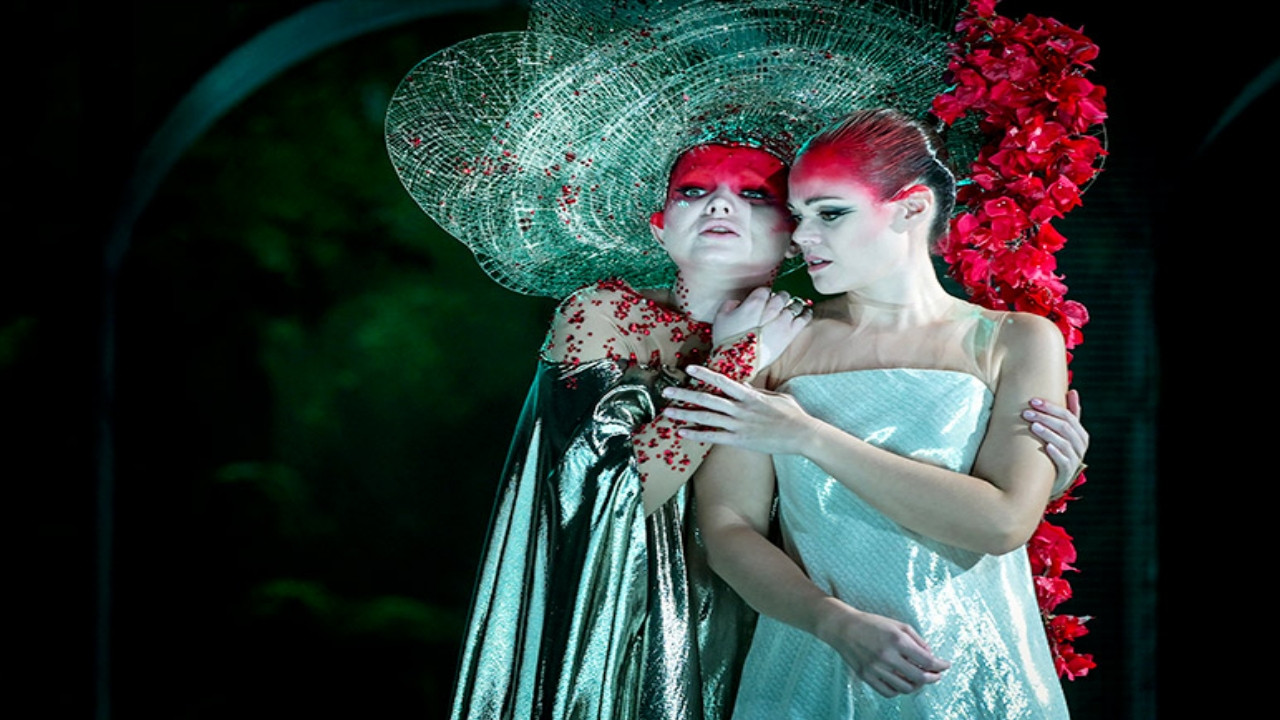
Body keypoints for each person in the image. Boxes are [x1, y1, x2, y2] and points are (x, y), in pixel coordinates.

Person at [383, 3, 1088, 719]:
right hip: (630, 605)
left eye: (756, 196)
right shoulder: (626, 317)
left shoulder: (823, 331)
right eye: (694, 192)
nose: (721, 208)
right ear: (659, 226)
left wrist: (1034, 476)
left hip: (790, 623)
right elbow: (628, 500)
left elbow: (973, 502)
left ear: (786, 238)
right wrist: (743, 358)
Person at [668, 108, 1077, 717]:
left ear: (911, 209)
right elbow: (729, 532)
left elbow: (1001, 525)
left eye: (831, 213)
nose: (803, 236)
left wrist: (807, 437)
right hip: (812, 659)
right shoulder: (773, 339)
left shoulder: (1017, 340)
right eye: (799, 215)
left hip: (979, 669)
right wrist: (836, 627)